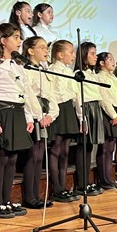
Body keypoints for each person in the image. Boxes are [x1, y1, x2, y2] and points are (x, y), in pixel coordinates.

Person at [0, 23, 37, 217]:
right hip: (3, 111)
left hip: (17, 111)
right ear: (3, 40)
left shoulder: (17, 65)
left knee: (13, 158)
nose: (19, 41)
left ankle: (7, 200)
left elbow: (23, 92)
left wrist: (28, 116)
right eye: (15, 37)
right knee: (2, 157)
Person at [22, 36, 59, 209]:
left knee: (40, 155)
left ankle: (37, 195)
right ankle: (30, 196)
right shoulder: (25, 70)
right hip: (33, 113)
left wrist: (51, 114)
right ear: (30, 50)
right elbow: (28, 96)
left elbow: (51, 95)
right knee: (33, 156)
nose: (46, 51)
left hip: (45, 114)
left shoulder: (44, 71)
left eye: (46, 48)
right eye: (42, 47)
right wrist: (38, 115)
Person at [48, 40, 82, 201]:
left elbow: (76, 95)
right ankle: (56, 188)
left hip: (69, 108)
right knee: (56, 149)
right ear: (60, 54)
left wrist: (81, 117)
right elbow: (50, 93)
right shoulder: (52, 70)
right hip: (57, 109)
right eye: (71, 52)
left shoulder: (70, 72)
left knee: (66, 150)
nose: (73, 55)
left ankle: (63, 186)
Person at [73, 42, 105, 196]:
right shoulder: (79, 73)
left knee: (89, 147)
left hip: (95, 107)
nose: (96, 56)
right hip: (86, 109)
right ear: (84, 55)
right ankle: (81, 184)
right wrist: (82, 117)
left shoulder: (92, 73)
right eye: (92, 53)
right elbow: (78, 97)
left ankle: (86, 181)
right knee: (83, 146)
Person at [96, 51, 117, 188]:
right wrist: (113, 115)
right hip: (106, 114)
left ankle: (109, 179)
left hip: (115, 114)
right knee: (104, 148)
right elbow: (104, 98)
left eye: (113, 59)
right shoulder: (99, 77)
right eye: (110, 59)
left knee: (111, 148)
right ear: (102, 63)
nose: (113, 62)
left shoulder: (113, 77)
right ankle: (103, 180)